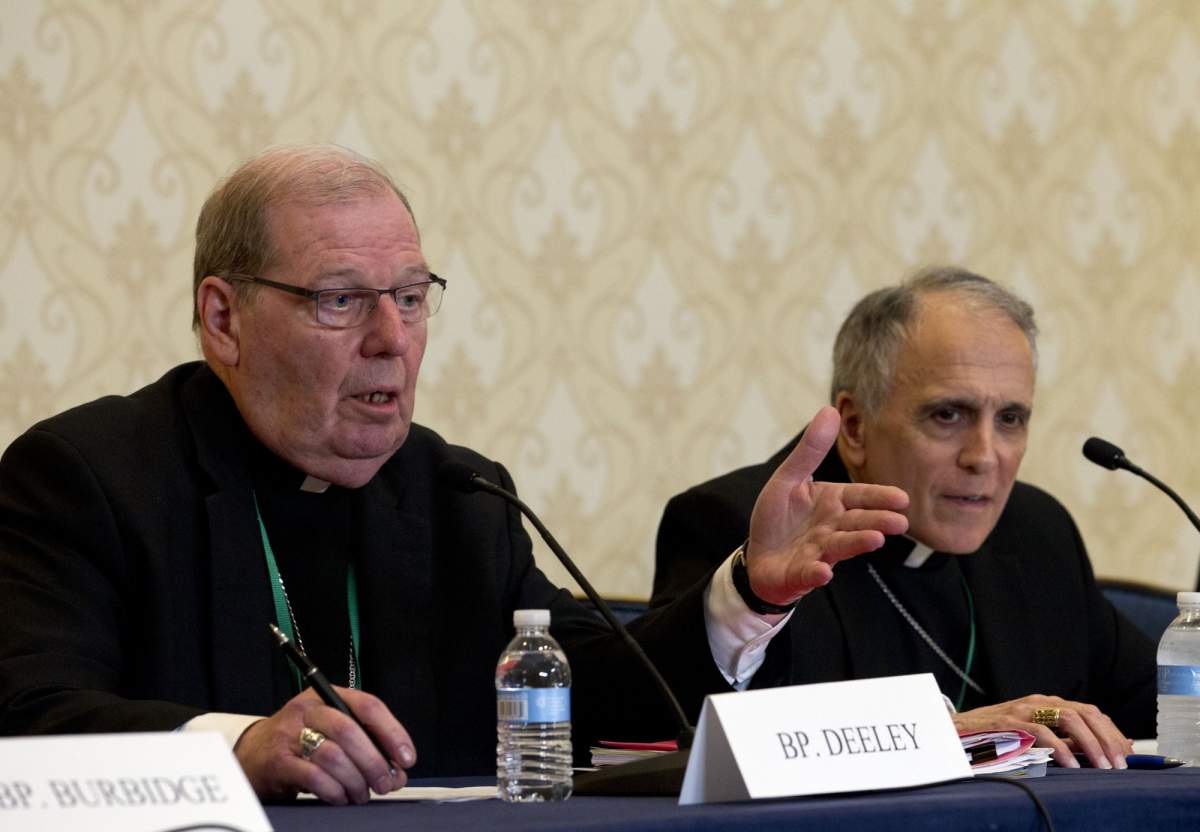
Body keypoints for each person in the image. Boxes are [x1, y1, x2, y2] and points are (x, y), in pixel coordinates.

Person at [0, 145, 909, 804]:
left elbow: (586, 693)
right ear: (223, 319)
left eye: (408, 296)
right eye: (339, 299)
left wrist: (745, 593)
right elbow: (25, 720)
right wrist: (235, 748)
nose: (391, 339)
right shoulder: (86, 478)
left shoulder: (455, 494)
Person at [652, 266, 1157, 770]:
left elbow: (1159, 706)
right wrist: (941, 730)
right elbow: (716, 739)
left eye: (1010, 419)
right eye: (947, 415)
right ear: (854, 425)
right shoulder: (743, 532)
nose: (984, 456)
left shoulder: (1036, 530)